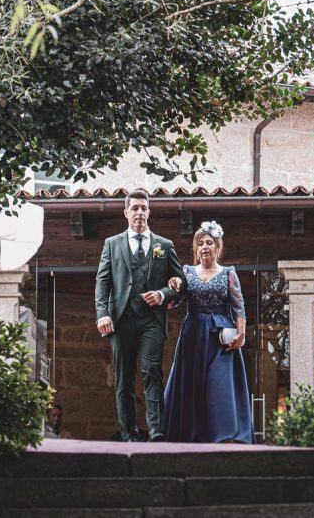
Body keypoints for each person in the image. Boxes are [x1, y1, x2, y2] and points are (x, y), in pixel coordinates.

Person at [94, 189, 185, 441]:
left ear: (149, 212)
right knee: (124, 378)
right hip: (121, 320)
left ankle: (156, 432)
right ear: (126, 213)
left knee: (152, 373)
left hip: (152, 321)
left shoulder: (164, 246)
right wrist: (103, 314)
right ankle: (129, 434)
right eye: (135, 208)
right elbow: (103, 282)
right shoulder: (111, 244)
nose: (140, 213)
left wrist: (163, 294)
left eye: (144, 208)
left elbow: (181, 285)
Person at [162, 220, 254, 443]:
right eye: (200, 243)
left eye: (209, 242)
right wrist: (171, 288)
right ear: (196, 249)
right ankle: (193, 434)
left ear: (218, 247)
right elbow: (175, 301)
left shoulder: (228, 273)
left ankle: (225, 435)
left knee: (219, 383)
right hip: (193, 335)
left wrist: (241, 334)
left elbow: (238, 306)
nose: (205, 246)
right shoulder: (187, 272)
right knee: (192, 384)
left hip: (221, 338)